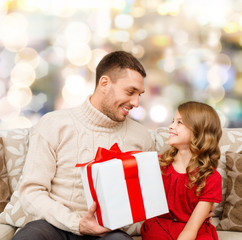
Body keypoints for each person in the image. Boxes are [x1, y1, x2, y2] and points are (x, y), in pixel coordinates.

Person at [12, 51, 155, 240]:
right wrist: (76, 223)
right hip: (55, 226)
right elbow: (31, 191)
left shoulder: (141, 136)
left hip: (108, 232)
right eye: (130, 92)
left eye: (139, 94)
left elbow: (146, 203)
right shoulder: (54, 124)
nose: (136, 103)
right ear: (104, 83)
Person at [141, 101, 222, 240]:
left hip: (194, 229)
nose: (170, 126)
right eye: (173, 121)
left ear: (199, 131)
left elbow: (192, 228)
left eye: (179, 122)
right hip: (160, 227)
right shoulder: (157, 164)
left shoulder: (211, 177)